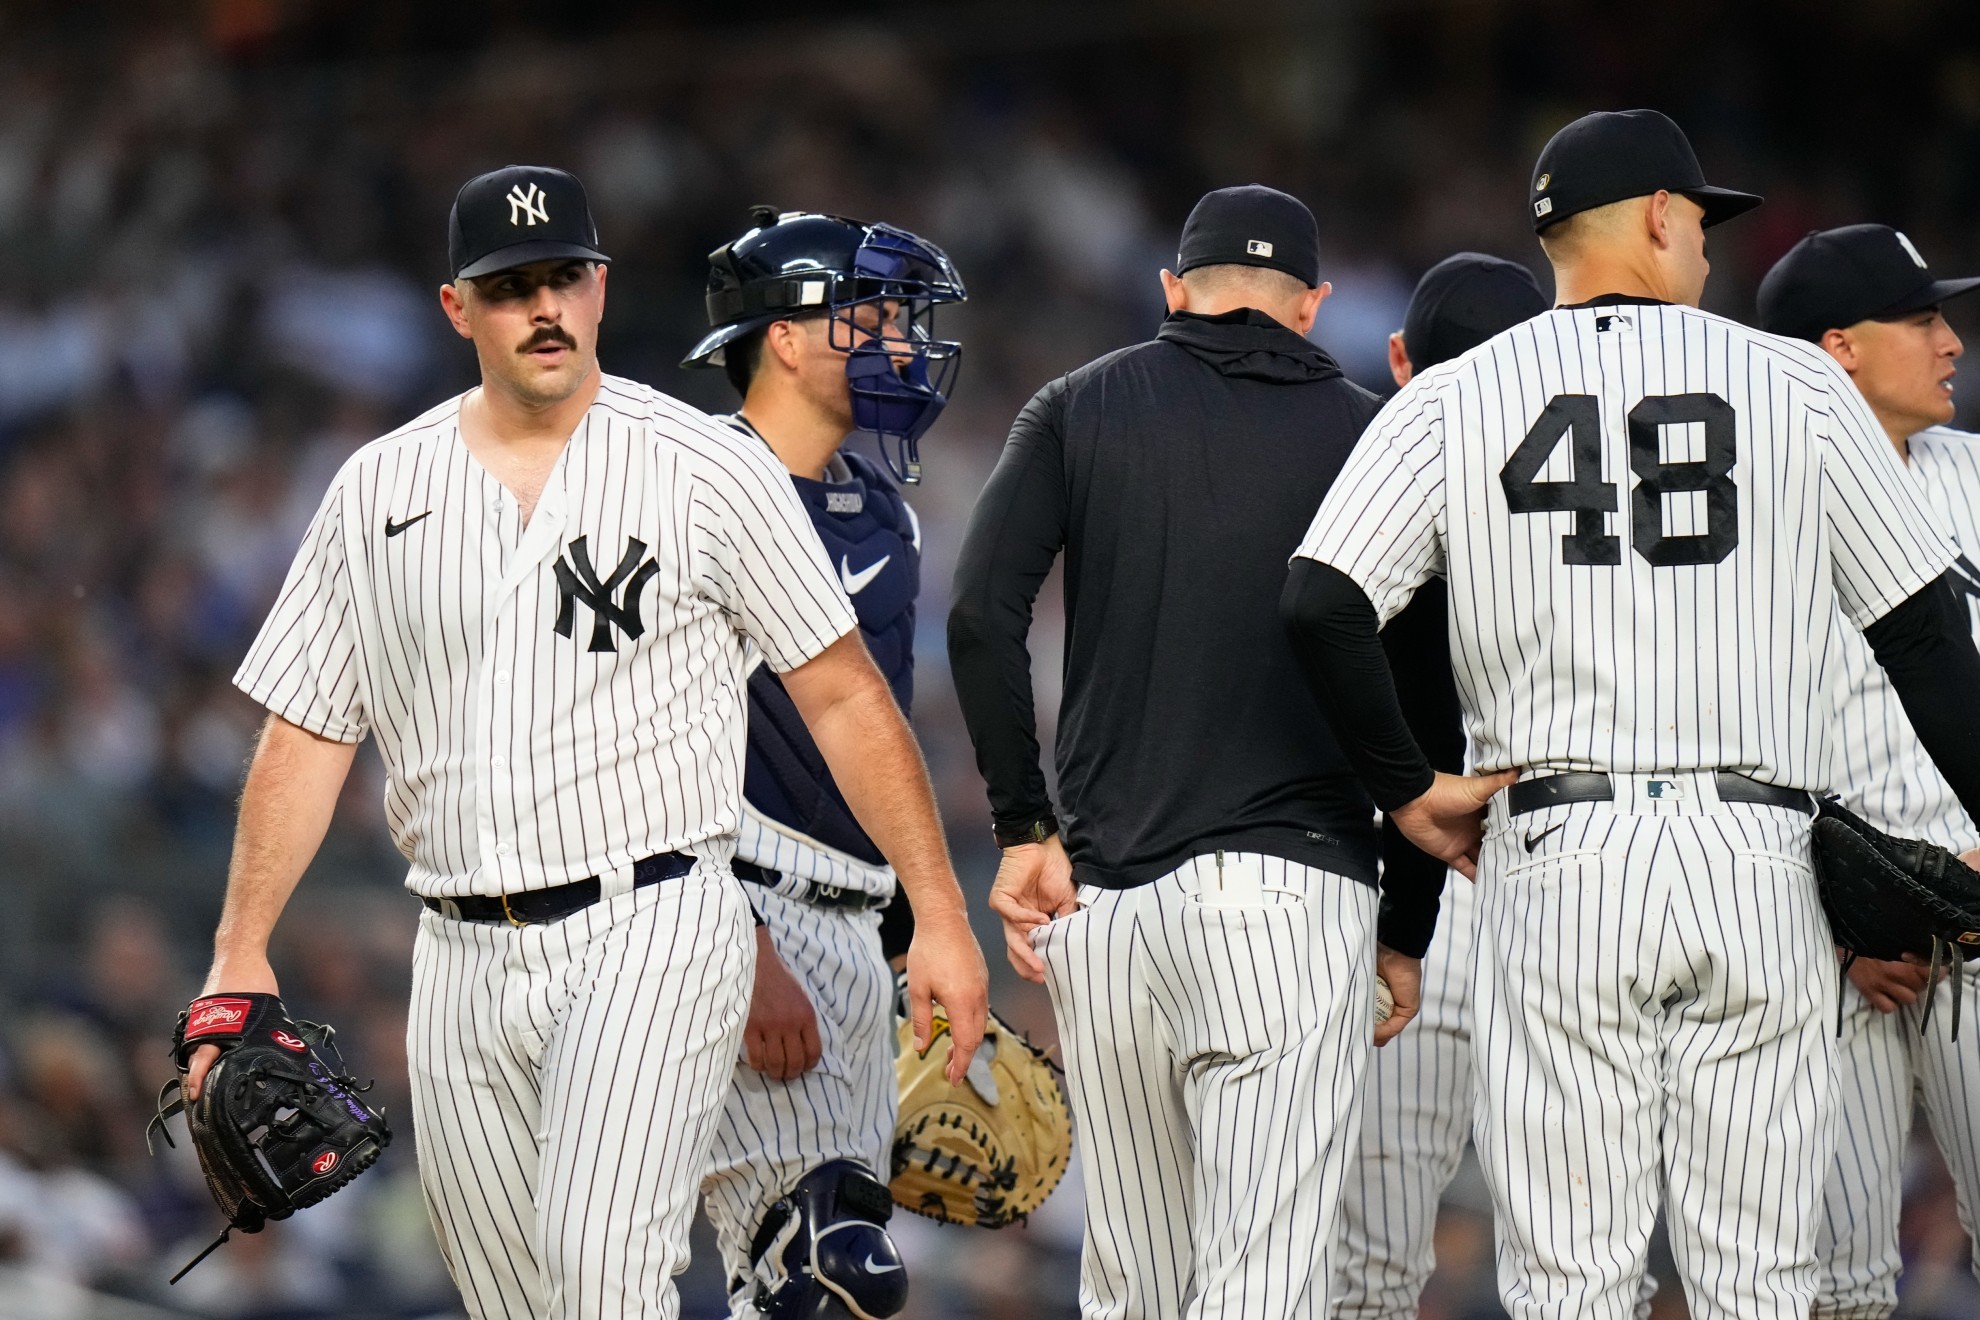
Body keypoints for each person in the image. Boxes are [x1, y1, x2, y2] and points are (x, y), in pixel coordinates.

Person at [180, 165, 987, 1320]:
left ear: (601, 288)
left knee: (604, 1276)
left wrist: (941, 914)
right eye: (512, 287)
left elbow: (848, 696)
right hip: (456, 952)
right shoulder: (375, 488)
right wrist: (238, 949)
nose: (544, 307)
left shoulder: (706, 466)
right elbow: (308, 729)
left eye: (564, 277)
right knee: (520, 1303)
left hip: (653, 921)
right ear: (459, 309)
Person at [1282, 109, 1980, 1319]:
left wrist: (1409, 789)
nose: (1709, 246)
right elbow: (1924, 637)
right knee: (1761, 1278)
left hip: (1557, 855)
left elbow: (1321, 600)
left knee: (1572, 1277)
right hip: (1757, 858)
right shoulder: (1799, 382)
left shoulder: (1460, 391)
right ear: (1661, 217)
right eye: (1702, 220)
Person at [948, 184, 1435, 1320]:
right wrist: (1405, 925)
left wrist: (1025, 826)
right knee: (1264, 1283)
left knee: (1133, 1285)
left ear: (1174, 291)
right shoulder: (1373, 433)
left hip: (1111, 906)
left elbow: (979, 616)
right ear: (1312, 307)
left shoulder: (1079, 405)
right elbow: (1420, 697)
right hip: (1295, 894)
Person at [678, 206, 965, 1319]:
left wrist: (912, 929)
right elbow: (643, 740)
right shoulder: (689, 486)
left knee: (807, 1278)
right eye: (875, 315)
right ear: (786, 339)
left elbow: (863, 737)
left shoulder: (884, 508)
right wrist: (736, 942)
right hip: (728, 899)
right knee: (821, 1274)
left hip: (850, 927)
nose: (901, 341)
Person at [1757, 223, 1980, 1318]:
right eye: (1924, 320)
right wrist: (1838, 916)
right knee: (1830, 1287)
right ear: (1838, 347)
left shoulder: (1976, 476)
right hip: (1819, 943)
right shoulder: (1743, 508)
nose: (1953, 342)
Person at [1331, 252, 1553, 1319]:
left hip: (1401, 889)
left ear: (1399, 360)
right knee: (1587, 1262)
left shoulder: (1356, 488)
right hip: (1580, 886)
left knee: (1369, 1271)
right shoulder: (1602, 502)